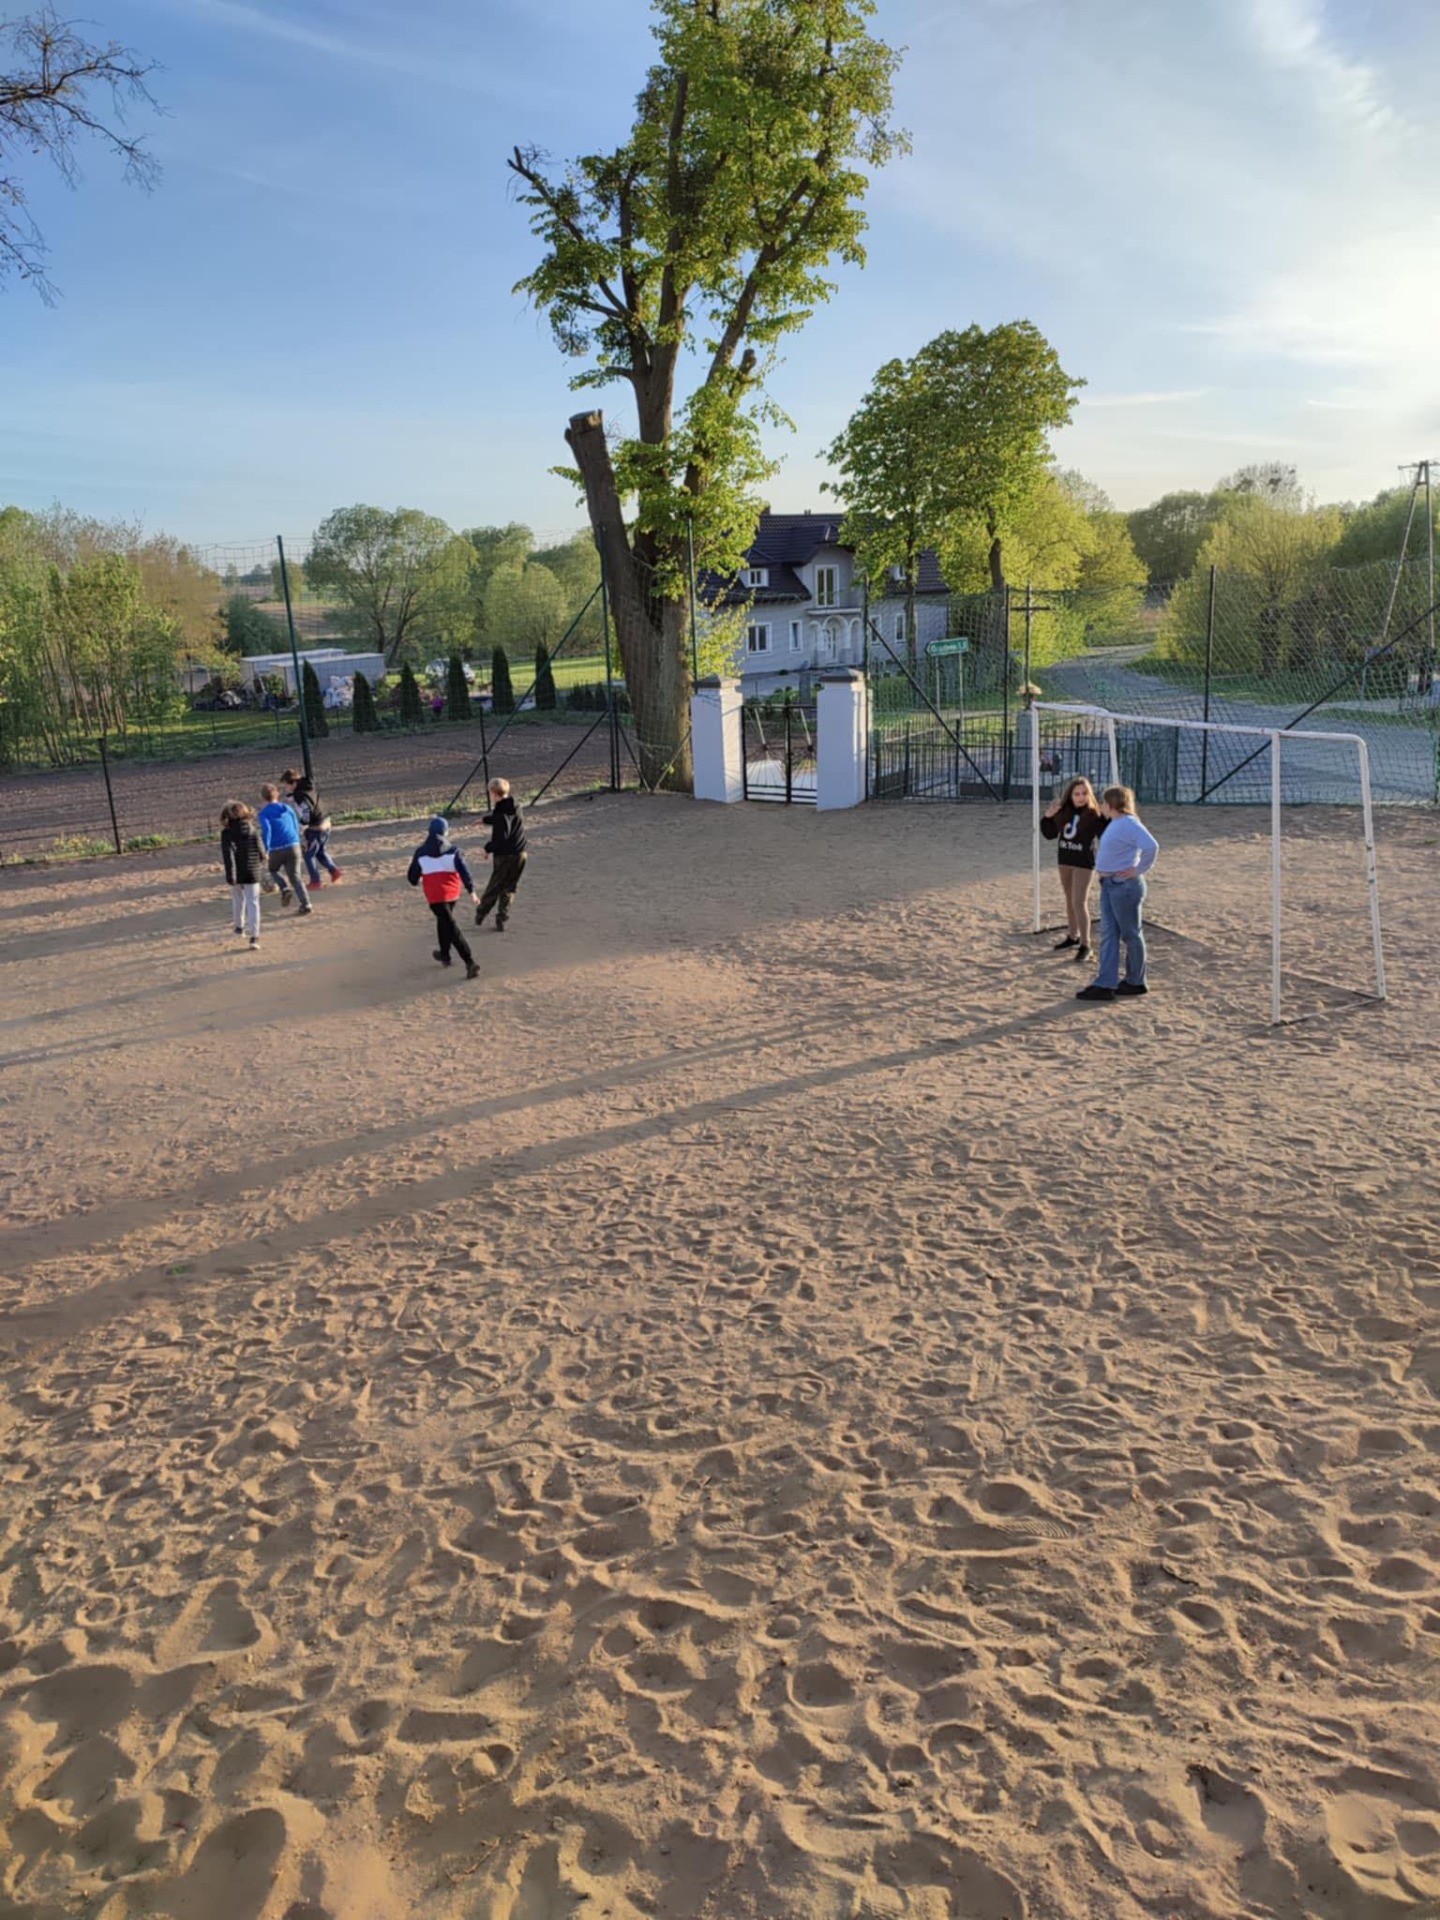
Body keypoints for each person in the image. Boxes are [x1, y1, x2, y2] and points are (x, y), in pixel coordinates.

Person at [1076, 785, 1159, 1002]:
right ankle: (1105, 983)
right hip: (1110, 883)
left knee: (1130, 933)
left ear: (1111, 804)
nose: (1101, 806)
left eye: (1104, 803)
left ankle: (1136, 980)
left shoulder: (1129, 823)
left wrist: (1138, 869)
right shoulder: (1116, 823)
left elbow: (1151, 846)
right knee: (1109, 934)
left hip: (1123, 886)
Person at [1040, 774, 1105, 961]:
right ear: (1070, 795)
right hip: (1065, 859)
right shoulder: (1064, 812)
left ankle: (1086, 944)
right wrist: (1047, 817)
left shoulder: (1093, 814)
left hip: (1084, 863)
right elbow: (1049, 834)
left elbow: (1104, 834)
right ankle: (1072, 936)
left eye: (1084, 793)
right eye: (1077, 794)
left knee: (1079, 901)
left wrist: (1107, 817)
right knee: (1069, 900)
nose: (1081, 797)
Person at [407, 815, 480, 979]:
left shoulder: (420, 853)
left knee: (449, 925)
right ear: (445, 832)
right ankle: (445, 955)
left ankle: (469, 961)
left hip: (434, 896)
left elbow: (412, 878)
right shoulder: (455, 851)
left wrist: (419, 878)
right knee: (444, 921)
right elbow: (464, 872)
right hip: (452, 894)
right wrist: (472, 891)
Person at [474, 778, 528, 933]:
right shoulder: (515, 805)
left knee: (495, 885)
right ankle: (502, 916)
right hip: (520, 852)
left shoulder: (500, 811)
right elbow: (506, 821)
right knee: (510, 886)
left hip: (505, 854)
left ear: (493, 794)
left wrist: (487, 848)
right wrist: (485, 820)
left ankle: (481, 913)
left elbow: (501, 835)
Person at [282, 767, 343, 889]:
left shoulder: (299, 795)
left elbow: (306, 810)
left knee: (308, 854)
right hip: (326, 822)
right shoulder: (308, 786)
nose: (286, 788)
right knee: (320, 852)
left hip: (316, 827)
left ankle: (316, 881)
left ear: (293, 783)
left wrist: (303, 824)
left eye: (287, 785)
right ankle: (334, 871)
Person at [257, 783, 312, 914]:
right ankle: (306, 904)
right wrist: (298, 840)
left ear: (263, 797)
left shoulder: (263, 814)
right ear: (277, 794)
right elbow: (295, 825)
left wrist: (266, 849)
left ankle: (284, 888)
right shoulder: (287, 808)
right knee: (295, 877)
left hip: (276, 848)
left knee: (273, 870)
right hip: (293, 845)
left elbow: (267, 831)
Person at [220, 801, 264, 950]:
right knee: (253, 903)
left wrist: (230, 875)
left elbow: (228, 855)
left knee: (238, 899)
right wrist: (263, 857)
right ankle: (254, 937)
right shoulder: (252, 828)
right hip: (253, 870)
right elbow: (260, 847)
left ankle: (239, 928)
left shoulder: (227, 833)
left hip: (237, 872)